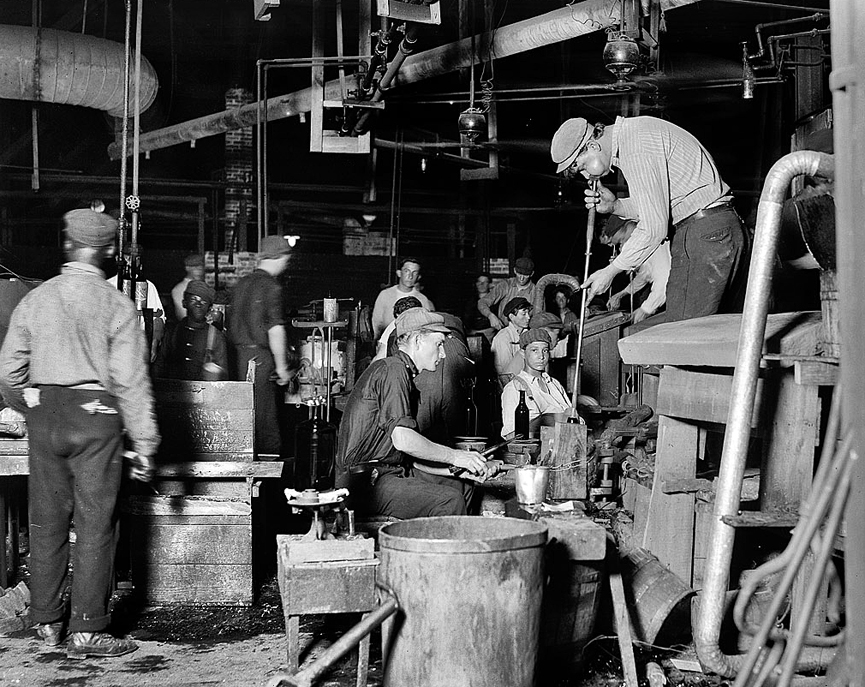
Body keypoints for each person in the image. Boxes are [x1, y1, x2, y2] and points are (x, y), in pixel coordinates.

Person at [0, 209, 159, 659]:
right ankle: (87, 630)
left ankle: (47, 623)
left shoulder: (36, 299)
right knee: (94, 523)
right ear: (108, 252)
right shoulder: (116, 305)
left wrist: (31, 408)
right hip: (97, 419)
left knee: (45, 521)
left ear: (68, 246)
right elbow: (131, 382)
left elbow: (9, 372)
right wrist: (145, 442)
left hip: (45, 416)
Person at [550, 115, 747, 322]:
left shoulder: (635, 148)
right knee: (715, 332)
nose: (587, 176)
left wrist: (611, 271)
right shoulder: (637, 133)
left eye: (581, 167)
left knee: (684, 332)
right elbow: (658, 204)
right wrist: (615, 206)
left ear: (592, 145)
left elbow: (654, 227)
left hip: (704, 234)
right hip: (716, 227)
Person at [334, 308, 497, 519]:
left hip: (389, 471)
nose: (443, 353)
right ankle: (433, 551)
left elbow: (409, 455)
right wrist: (456, 456)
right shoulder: (393, 370)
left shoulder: (403, 375)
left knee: (464, 486)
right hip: (364, 483)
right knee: (449, 500)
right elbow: (403, 440)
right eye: (439, 344)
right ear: (418, 341)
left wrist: (455, 469)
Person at [228, 235, 298, 457]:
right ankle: (267, 482)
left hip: (238, 358)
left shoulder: (241, 284)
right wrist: (281, 368)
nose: (287, 263)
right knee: (265, 422)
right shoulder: (271, 287)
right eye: (286, 258)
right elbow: (275, 330)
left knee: (244, 419)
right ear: (278, 257)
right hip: (261, 360)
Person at [500, 329, 571, 438]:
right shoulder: (514, 389)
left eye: (545, 350)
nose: (541, 356)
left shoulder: (554, 384)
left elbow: (573, 419)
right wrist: (544, 421)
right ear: (523, 353)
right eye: (534, 350)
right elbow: (510, 436)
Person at [600, 215, 671, 324]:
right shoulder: (640, 245)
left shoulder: (649, 239)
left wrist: (645, 310)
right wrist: (621, 294)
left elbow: (664, 281)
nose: (613, 246)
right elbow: (644, 275)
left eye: (617, 242)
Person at [155, 280, 228, 381]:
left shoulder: (216, 336)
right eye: (194, 299)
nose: (198, 304)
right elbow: (159, 367)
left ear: (209, 308)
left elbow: (223, 377)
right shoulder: (173, 332)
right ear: (184, 303)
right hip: (174, 392)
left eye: (204, 301)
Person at [106, 249, 166, 363]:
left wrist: (154, 343)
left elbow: (159, 318)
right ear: (118, 260)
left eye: (136, 258)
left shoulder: (148, 286)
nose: (131, 262)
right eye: (127, 258)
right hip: (113, 347)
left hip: (139, 348)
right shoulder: (108, 285)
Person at [371, 257, 434, 338]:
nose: (410, 276)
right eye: (406, 271)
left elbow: (427, 325)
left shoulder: (422, 299)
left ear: (418, 277)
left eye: (414, 273)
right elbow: (376, 322)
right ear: (399, 273)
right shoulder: (385, 294)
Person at [476, 257, 536, 331]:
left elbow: (539, 319)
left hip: (526, 332)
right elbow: (482, 302)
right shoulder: (505, 285)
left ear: (532, 274)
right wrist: (490, 315)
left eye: (525, 275)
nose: (521, 278)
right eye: (519, 274)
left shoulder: (536, 292)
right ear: (514, 270)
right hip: (504, 330)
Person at [504, 311, 566, 379]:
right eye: (557, 334)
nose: (558, 339)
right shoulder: (528, 359)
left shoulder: (534, 354)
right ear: (544, 333)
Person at [491, 296, 532, 389]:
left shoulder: (528, 333)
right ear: (511, 316)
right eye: (524, 313)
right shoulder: (503, 337)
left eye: (528, 313)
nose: (528, 317)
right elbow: (508, 372)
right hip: (508, 386)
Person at [372, 295, 422, 362]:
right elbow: (380, 356)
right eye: (398, 319)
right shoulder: (394, 325)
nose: (401, 324)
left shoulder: (428, 329)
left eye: (404, 320)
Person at [170, 253, 206, 320]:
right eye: (196, 268)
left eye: (202, 267)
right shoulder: (180, 289)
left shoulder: (205, 285)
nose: (200, 271)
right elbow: (184, 315)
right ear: (187, 268)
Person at [463, 272, 495, 341]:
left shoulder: (494, 301)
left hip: (490, 334)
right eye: (479, 282)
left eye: (485, 282)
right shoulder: (470, 302)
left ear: (489, 284)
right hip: (472, 335)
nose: (481, 284)